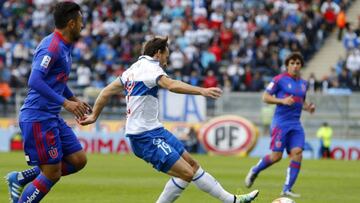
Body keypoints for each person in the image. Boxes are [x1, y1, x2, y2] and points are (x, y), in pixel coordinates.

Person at [79, 36, 259, 203]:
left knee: (192, 166)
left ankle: (233, 200)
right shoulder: (151, 69)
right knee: (187, 173)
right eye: (167, 54)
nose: (167, 59)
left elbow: (106, 92)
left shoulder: (132, 70)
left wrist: (95, 115)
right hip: (144, 136)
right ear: (158, 53)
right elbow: (171, 85)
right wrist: (202, 90)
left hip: (156, 130)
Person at [5, 2, 91, 203]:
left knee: (78, 160)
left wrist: (73, 99)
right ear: (71, 24)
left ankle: (20, 178)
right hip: (37, 117)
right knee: (52, 173)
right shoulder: (51, 47)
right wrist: (66, 104)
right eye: (80, 22)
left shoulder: (65, 46)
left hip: (50, 116)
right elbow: (34, 80)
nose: (83, 26)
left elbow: (57, 79)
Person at [244, 52, 315, 198]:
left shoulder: (303, 83)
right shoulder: (279, 80)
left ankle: (287, 188)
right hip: (281, 124)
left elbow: (301, 100)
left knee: (298, 154)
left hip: (296, 124)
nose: (295, 66)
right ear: (287, 65)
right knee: (276, 156)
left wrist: (308, 107)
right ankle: (255, 170)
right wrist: (281, 101)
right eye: (292, 63)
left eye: (298, 63)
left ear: (301, 66)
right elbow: (265, 97)